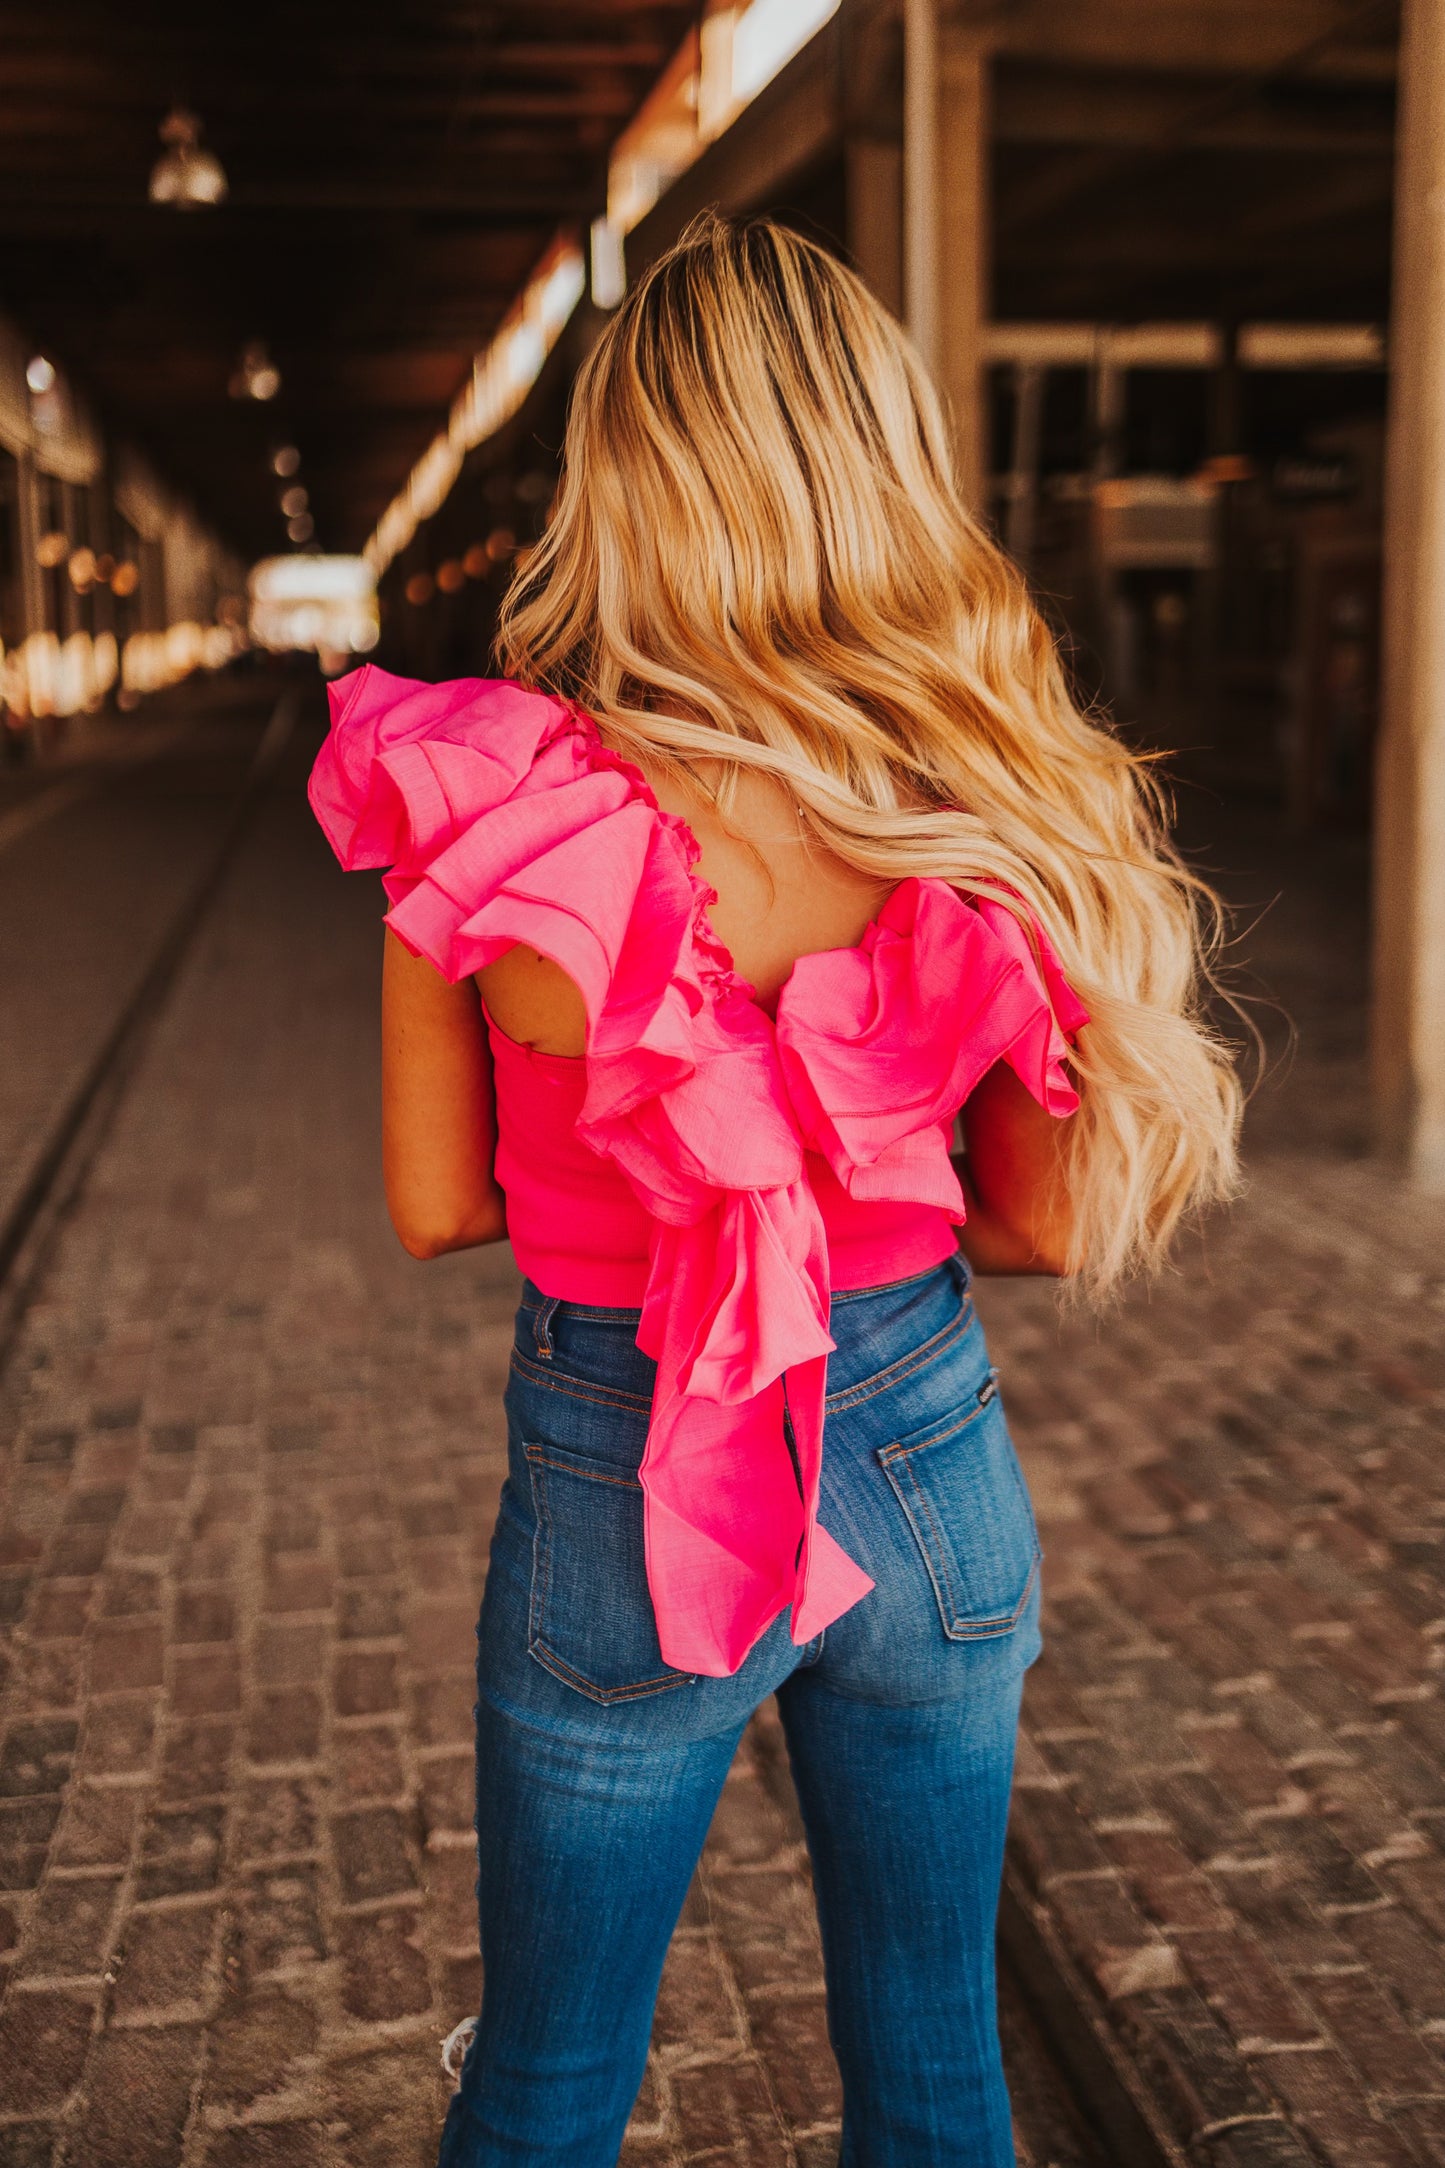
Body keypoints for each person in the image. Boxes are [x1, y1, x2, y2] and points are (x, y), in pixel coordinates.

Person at [309, 213, 1241, 2168]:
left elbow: (429, 1204)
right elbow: (1052, 1227)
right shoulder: (989, 804)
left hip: (617, 1469)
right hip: (926, 1450)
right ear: (882, 466)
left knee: (549, 2089)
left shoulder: (498, 795)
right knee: (936, 2070)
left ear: (620, 481)